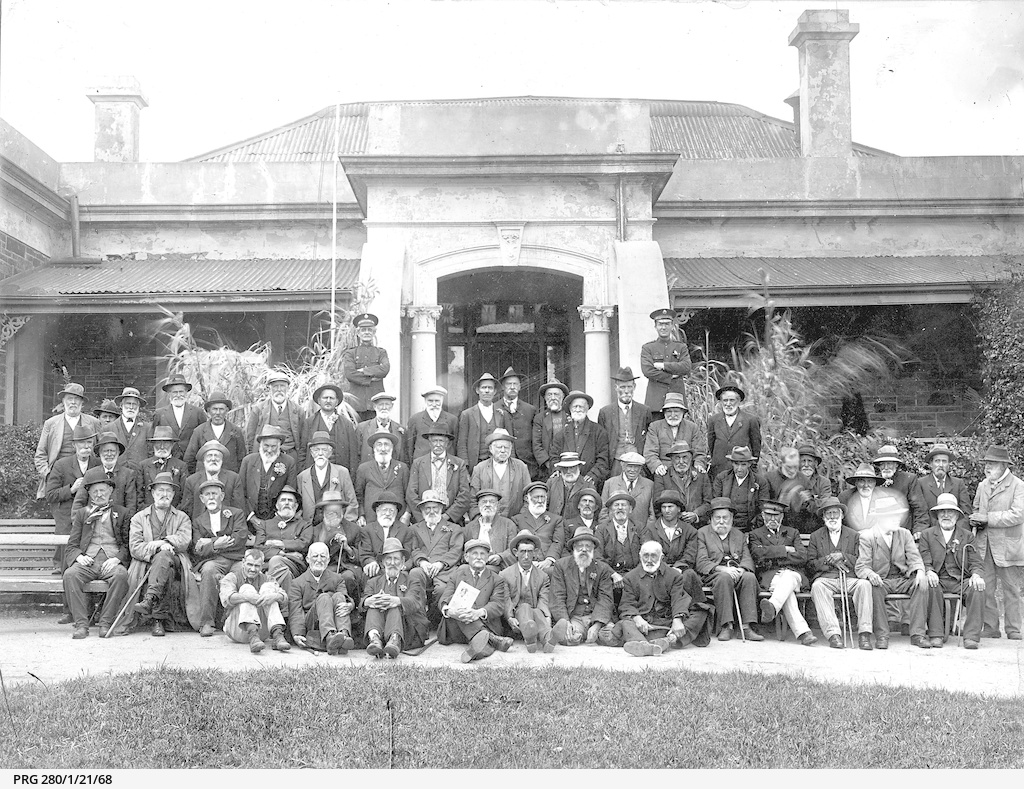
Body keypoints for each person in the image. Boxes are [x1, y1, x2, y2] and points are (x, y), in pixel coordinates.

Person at [62, 467, 130, 639]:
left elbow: (128, 545)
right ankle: (81, 625)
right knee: (70, 575)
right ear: (90, 494)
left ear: (110, 491)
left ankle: (106, 623)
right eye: (95, 492)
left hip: (110, 561)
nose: (99, 495)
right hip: (89, 561)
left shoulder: (122, 513)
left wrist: (116, 559)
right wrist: (79, 557)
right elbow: (72, 545)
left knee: (121, 576)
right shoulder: (82, 514)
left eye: (103, 491)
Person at [855, 496, 929, 649]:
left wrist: (920, 571)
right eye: (892, 516)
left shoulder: (904, 534)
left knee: (921, 584)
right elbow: (862, 566)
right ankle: (882, 635)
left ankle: (918, 635)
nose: (897, 519)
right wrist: (871, 574)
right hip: (881, 580)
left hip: (902, 579)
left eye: (898, 516)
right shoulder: (868, 536)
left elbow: (914, 557)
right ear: (880, 518)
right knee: (873, 588)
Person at [127, 472, 193, 636]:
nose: (164, 494)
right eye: (160, 490)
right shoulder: (139, 518)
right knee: (164, 566)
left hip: (176, 560)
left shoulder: (182, 517)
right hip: (146, 563)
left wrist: (164, 542)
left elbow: (184, 540)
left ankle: (149, 601)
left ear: (173, 494)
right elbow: (135, 547)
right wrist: (157, 548)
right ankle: (158, 620)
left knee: (164, 559)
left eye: (168, 491)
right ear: (152, 493)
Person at [617, 541, 713, 655]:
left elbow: (678, 599)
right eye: (645, 555)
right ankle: (646, 644)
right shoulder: (630, 577)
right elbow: (627, 603)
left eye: (653, 556)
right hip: (645, 624)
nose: (649, 560)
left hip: (668, 623)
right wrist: (637, 618)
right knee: (626, 623)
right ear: (640, 556)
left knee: (701, 611)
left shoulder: (674, 575)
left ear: (661, 557)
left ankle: (667, 640)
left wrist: (678, 619)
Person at [969, 444, 1024, 640]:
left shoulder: (1018, 485)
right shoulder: (983, 485)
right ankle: (991, 627)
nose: (987, 467)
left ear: (1003, 465)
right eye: (986, 463)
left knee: (1011, 589)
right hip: (985, 546)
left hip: (1009, 546)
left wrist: (987, 518)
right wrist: (975, 519)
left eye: (992, 463)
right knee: (987, 587)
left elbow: (1018, 515)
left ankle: (1014, 629)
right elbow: (976, 507)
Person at [806, 497, 874, 650]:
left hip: (849, 578)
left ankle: (864, 633)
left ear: (842, 515)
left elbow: (860, 560)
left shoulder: (854, 535)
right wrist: (829, 560)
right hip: (827, 579)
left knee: (864, 585)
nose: (832, 517)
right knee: (817, 587)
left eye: (835, 513)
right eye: (828, 514)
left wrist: (843, 556)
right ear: (823, 517)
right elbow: (810, 564)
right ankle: (833, 634)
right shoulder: (816, 536)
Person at [920, 493, 986, 649]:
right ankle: (936, 634)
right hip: (938, 579)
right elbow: (924, 559)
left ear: (957, 515)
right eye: (942, 512)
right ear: (936, 515)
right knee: (930, 584)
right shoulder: (927, 535)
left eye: (950, 512)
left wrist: (976, 575)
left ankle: (971, 637)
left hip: (960, 580)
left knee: (977, 588)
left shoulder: (967, 536)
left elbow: (976, 561)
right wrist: (929, 571)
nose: (946, 515)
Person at [749, 499, 816, 646]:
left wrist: (772, 556)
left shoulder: (793, 532)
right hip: (771, 577)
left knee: (788, 577)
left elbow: (802, 556)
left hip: (794, 575)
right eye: (768, 515)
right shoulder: (755, 534)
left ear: (782, 517)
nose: (772, 519)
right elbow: (758, 555)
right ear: (762, 515)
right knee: (787, 591)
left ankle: (772, 605)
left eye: (776, 516)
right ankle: (804, 633)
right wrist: (785, 550)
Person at [695, 497, 764, 642]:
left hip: (736, 572)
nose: (721, 521)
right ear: (711, 519)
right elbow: (701, 562)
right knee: (724, 578)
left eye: (725, 518)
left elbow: (746, 557)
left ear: (731, 518)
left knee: (750, 577)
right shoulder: (702, 533)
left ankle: (746, 627)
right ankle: (726, 626)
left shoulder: (738, 534)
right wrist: (723, 570)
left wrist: (743, 569)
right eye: (717, 518)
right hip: (714, 575)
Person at [188, 478, 248, 637]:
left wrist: (211, 543)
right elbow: (197, 548)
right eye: (207, 494)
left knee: (243, 571)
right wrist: (217, 544)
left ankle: (242, 621)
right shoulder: (198, 521)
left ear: (222, 496)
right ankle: (206, 622)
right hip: (214, 561)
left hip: (236, 558)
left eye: (214, 493)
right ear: (202, 499)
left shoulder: (236, 514)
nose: (211, 497)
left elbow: (240, 537)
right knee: (208, 570)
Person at [438, 539, 512, 662]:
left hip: (485, 622)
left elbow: (498, 605)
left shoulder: (497, 579)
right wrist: (451, 612)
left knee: (470, 617)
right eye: (474, 554)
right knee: (460, 608)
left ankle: (478, 648)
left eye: (482, 554)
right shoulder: (457, 575)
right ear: (466, 557)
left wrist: (477, 613)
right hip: (457, 627)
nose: (479, 557)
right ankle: (491, 639)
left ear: (488, 557)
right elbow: (444, 598)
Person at [544, 526, 616, 649]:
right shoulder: (561, 566)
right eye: (580, 546)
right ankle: (577, 632)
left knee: (612, 636)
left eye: (588, 546)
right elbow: (557, 596)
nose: (584, 549)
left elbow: (605, 599)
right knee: (570, 638)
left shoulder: (602, 568)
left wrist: (597, 624)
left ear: (593, 549)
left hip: (596, 615)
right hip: (575, 617)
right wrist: (565, 622)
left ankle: (596, 633)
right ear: (573, 548)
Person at [44, 424, 98, 581]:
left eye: (89, 443)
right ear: (74, 445)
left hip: (90, 515)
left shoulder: (97, 463)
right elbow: (50, 495)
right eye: (82, 443)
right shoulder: (62, 465)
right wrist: (71, 489)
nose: (86, 447)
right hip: (67, 518)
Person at [362, 537, 429, 658]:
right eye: (388, 559)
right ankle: (374, 639)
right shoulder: (373, 582)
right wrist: (369, 601)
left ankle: (395, 639)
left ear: (403, 562)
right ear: (382, 562)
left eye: (396, 559)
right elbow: (363, 602)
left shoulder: (412, 580)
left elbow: (414, 602)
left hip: (408, 630)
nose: (392, 563)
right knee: (373, 605)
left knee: (394, 605)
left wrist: (396, 601)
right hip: (381, 627)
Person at [34, 381, 101, 500]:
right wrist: (48, 474)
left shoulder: (93, 422)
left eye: (77, 399)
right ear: (63, 401)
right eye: (70, 398)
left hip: (87, 473)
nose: (73, 402)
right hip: (60, 475)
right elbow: (40, 454)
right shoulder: (51, 423)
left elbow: (100, 450)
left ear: (82, 403)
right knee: (62, 510)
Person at [288, 542, 356, 655]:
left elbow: (345, 597)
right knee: (324, 597)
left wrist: (350, 605)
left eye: (323, 556)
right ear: (308, 559)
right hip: (312, 621)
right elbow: (296, 611)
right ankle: (330, 637)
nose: (319, 560)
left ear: (328, 560)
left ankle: (343, 634)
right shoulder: (297, 583)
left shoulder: (337, 578)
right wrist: (297, 634)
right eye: (315, 556)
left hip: (334, 619)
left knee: (339, 596)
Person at [219, 548, 290, 653]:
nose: (253, 569)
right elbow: (226, 598)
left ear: (262, 566)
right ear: (243, 563)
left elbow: (284, 596)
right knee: (246, 588)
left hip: (262, 633)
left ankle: (278, 635)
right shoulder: (232, 577)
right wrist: (248, 597)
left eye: (257, 566)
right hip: (238, 629)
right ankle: (252, 635)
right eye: (249, 564)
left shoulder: (267, 578)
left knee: (269, 589)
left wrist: (273, 597)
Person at [410, 491, 466, 622]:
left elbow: (456, 549)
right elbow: (414, 549)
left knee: (442, 590)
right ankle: (421, 621)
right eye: (427, 508)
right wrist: (422, 562)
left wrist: (440, 563)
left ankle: (435, 620)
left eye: (435, 507)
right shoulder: (414, 529)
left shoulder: (454, 528)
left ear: (441, 509)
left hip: (445, 569)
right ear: (422, 510)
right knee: (414, 575)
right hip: (423, 567)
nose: (431, 511)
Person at [405, 426, 471, 525]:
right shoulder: (418, 463)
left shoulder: (458, 463)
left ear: (447, 443)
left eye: (442, 441)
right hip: (423, 519)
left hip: (451, 520)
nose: (438, 445)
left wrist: (447, 516)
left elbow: (464, 494)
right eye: (435, 441)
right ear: (429, 443)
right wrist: (423, 518)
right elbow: (411, 494)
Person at [238, 425, 299, 531]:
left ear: (280, 445)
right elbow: (239, 492)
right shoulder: (248, 461)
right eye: (266, 445)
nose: (270, 450)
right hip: (249, 521)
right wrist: (252, 518)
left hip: (278, 521)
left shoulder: (288, 462)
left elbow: (290, 492)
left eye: (274, 446)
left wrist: (277, 519)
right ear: (260, 444)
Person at [499, 530, 552, 652]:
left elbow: (543, 600)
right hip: (515, 621)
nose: (526, 556)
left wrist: (547, 616)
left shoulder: (543, 576)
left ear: (536, 553)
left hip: (536, 616)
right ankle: (532, 636)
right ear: (515, 552)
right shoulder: (505, 575)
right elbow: (506, 600)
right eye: (523, 551)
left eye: (530, 551)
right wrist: (510, 618)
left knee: (537, 612)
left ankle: (547, 639)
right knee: (524, 607)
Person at [72, 431, 140, 522]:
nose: (109, 454)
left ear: (118, 452)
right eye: (105, 451)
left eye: (112, 451)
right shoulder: (90, 474)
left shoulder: (127, 474)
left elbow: (131, 505)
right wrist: (80, 526)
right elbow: (78, 503)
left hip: (118, 526)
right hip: (93, 525)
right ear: (99, 453)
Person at [598, 367, 653, 478]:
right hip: (615, 461)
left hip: (638, 460)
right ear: (616, 388)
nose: (626, 391)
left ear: (634, 387)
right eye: (622, 387)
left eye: (629, 387)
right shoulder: (605, 412)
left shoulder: (644, 411)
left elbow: (648, 438)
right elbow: (601, 442)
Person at [255, 486, 312, 592]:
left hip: (295, 565)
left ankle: (267, 594)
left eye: (290, 501)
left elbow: (304, 544)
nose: (286, 503)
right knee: (285, 574)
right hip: (268, 566)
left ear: (296, 506)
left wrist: (280, 543)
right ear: (277, 505)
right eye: (283, 500)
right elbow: (258, 548)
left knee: (276, 561)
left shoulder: (304, 525)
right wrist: (284, 554)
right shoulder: (265, 525)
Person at [297, 431, 357, 529]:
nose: (320, 453)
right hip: (310, 528)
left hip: (336, 526)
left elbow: (352, 502)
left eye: (324, 450)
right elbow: (299, 508)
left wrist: (346, 526)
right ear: (311, 453)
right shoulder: (302, 477)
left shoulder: (342, 472)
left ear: (330, 452)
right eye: (316, 450)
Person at [767, 445, 832, 534]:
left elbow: (825, 506)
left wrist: (809, 500)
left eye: (810, 461)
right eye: (803, 461)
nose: (806, 465)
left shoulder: (824, 482)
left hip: (814, 528)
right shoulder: (787, 479)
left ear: (816, 464)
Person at [910, 443, 973, 535]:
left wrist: (956, 533)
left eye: (944, 461)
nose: (941, 465)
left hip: (954, 533)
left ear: (948, 465)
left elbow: (965, 513)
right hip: (929, 534)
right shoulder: (920, 483)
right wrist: (921, 532)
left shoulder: (958, 484)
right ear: (931, 464)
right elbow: (919, 512)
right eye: (937, 461)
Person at [552, 390, 610, 488]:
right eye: (575, 406)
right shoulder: (560, 434)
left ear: (587, 409)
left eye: (581, 406)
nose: (578, 409)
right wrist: (558, 471)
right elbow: (554, 457)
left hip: (590, 482)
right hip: (566, 482)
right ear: (570, 409)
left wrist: (593, 475)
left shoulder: (599, 432)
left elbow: (603, 459)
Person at [313, 490, 364, 601]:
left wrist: (347, 548)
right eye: (330, 511)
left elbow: (362, 556)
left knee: (348, 577)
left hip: (348, 567)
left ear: (342, 511)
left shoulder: (354, 529)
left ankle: (351, 606)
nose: (333, 515)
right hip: (326, 567)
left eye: (337, 511)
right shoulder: (316, 531)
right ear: (323, 512)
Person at [299, 381, 360, 474]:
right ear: (319, 401)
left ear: (337, 402)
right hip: (315, 474)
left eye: (331, 398)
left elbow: (353, 455)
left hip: (340, 474)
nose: (328, 400)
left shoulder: (347, 424)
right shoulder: (309, 423)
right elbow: (302, 452)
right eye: (325, 398)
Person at [469, 428, 531, 519]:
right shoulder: (479, 468)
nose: (503, 450)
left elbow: (528, 497)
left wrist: (520, 519)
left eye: (506, 447)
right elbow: (472, 500)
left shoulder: (521, 467)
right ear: (491, 448)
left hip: (515, 522)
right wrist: (481, 520)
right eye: (499, 447)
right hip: (487, 523)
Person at [641, 308, 691, 417]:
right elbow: (648, 371)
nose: (663, 327)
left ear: (672, 326)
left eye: (667, 324)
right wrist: (671, 376)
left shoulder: (681, 347)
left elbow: (686, 366)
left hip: (677, 399)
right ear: (655, 327)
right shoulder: (648, 348)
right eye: (660, 324)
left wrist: (663, 365)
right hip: (656, 402)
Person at [182, 391, 246, 474]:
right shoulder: (199, 431)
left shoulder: (236, 431)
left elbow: (241, 459)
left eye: (221, 409)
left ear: (227, 410)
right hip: (205, 480)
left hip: (229, 480)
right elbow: (189, 460)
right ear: (208, 411)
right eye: (214, 409)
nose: (218, 413)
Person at [644, 393, 707, 478]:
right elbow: (650, 452)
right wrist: (657, 466)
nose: (673, 415)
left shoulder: (692, 427)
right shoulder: (655, 427)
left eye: (676, 411)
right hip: (664, 472)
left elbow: (699, 452)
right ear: (664, 412)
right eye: (669, 411)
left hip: (687, 472)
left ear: (683, 412)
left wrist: (699, 465)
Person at [342, 312, 391, 421]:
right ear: (358, 333)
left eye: (370, 330)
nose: (367, 332)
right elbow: (350, 374)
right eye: (363, 330)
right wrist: (372, 377)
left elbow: (385, 369)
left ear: (374, 332)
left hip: (376, 402)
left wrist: (363, 371)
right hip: (356, 403)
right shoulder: (351, 353)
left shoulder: (381, 352)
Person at [652, 441, 712, 528]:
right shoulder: (663, 476)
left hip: (697, 527)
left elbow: (709, 502)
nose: (681, 462)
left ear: (691, 458)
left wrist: (696, 515)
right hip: (671, 526)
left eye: (685, 457)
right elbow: (657, 504)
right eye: (677, 458)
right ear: (671, 459)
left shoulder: (701, 475)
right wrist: (677, 515)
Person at [355, 431, 411, 525]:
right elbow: (359, 495)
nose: (383, 448)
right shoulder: (364, 468)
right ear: (374, 448)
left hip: (397, 519)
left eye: (386, 445)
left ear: (392, 448)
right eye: (379, 445)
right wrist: (361, 515)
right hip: (371, 520)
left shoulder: (402, 468)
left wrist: (407, 514)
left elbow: (409, 495)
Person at [358, 492, 417, 580]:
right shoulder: (367, 530)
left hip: (397, 568)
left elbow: (408, 554)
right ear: (377, 511)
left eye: (391, 510)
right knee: (368, 572)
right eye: (385, 510)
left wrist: (403, 566)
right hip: (377, 568)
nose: (388, 513)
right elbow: (365, 554)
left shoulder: (405, 530)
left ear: (396, 512)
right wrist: (371, 562)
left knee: (404, 575)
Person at [245, 371, 303, 460]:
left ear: (287, 388)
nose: (279, 389)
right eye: (275, 386)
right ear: (270, 389)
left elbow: (302, 438)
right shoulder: (258, 410)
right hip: (266, 455)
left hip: (290, 455)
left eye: (282, 386)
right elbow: (250, 438)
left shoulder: (298, 410)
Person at [707, 385, 761, 480]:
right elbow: (711, 445)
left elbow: (756, 446)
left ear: (739, 401)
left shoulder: (750, 420)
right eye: (725, 400)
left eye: (732, 400)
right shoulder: (713, 420)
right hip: (719, 470)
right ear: (720, 402)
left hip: (742, 471)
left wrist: (751, 466)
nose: (728, 404)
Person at [180, 440, 243, 521]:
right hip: (199, 529)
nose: (213, 459)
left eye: (216, 456)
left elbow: (239, 509)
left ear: (222, 459)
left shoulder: (234, 478)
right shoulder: (191, 481)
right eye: (209, 455)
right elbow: (187, 511)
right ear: (203, 460)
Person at [641, 490, 700, 576]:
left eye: (670, 506)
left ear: (679, 509)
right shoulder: (650, 529)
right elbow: (649, 553)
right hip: (657, 570)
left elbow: (689, 556)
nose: (667, 510)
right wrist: (666, 569)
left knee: (689, 575)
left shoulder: (690, 531)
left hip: (681, 571)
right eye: (664, 507)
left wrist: (678, 568)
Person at [595, 492, 641, 601]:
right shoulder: (601, 529)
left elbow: (646, 552)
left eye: (624, 505)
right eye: (616, 505)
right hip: (611, 575)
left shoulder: (639, 527)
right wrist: (613, 574)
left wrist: (633, 575)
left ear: (630, 509)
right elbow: (597, 556)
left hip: (635, 574)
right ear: (610, 510)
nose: (620, 508)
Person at [457, 373, 508, 472]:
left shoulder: (501, 414)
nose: (487, 391)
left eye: (490, 388)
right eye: (484, 388)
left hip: (498, 465)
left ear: (495, 391)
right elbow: (462, 444)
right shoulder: (467, 414)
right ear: (477, 390)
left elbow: (508, 442)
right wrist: (465, 468)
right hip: (475, 466)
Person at [711, 446, 768, 533]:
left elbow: (763, 509)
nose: (739, 469)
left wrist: (752, 531)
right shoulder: (722, 478)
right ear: (732, 463)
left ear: (749, 464)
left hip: (749, 528)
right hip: (726, 527)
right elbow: (715, 504)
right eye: (736, 464)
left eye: (743, 464)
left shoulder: (760, 482)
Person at [152, 373, 207, 462]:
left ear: (186, 392)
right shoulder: (159, 413)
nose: (178, 395)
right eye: (174, 392)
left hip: (192, 461)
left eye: (181, 391)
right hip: (168, 460)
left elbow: (203, 437)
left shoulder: (197, 412)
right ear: (169, 394)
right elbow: (153, 439)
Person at [495, 367, 538, 479]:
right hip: (502, 462)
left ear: (519, 387)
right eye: (509, 384)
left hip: (528, 463)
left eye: (515, 384)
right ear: (503, 387)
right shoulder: (494, 408)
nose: (512, 387)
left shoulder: (530, 410)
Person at [511, 481, 566, 570]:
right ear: (527, 498)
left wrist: (549, 560)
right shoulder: (517, 520)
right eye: (536, 497)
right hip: (523, 563)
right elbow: (514, 544)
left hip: (547, 565)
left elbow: (557, 542)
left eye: (543, 497)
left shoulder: (556, 520)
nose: (540, 501)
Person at [463, 489, 517, 569]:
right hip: (473, 566)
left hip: (497, 567)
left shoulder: (508, 524)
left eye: (492, 502)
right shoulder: (469, 527)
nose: (488, 505)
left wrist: (500, 557)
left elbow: (513, 550)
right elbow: (462, 552)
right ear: (478, 505)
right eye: (484, 502)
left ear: (497, 505)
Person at [406, 386, 460, 464]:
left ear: (442, 401)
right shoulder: (415, 419)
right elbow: (409, 447)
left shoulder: (452, 420)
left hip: (446, 463)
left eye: (437, 401)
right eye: (430, 401)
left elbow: (455, 445)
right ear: (425, 401)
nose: (434, 404)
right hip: (422, 465)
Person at [600, 451, 654, 530]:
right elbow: (603, 511)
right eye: (629, 466)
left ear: (641, 468)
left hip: (641, 533)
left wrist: (647, 532)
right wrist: (607, 531)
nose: (633, 470)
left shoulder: (649, 485)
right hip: (613, 533)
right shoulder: (610, 483)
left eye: (636, 467)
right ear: (622, 465)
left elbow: (652, 514)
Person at [138, 425, 187, 510]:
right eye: (158, 443)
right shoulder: (143, 466)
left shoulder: (181, 466)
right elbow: (139, 496)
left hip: (173, 516)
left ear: (172, 445)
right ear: (153, 445)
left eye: (166, 443)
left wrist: (174, 514)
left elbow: (184, 496)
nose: (162, 447)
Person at [532, 379, 570, 478]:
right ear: (545, 398)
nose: (553, 398)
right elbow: (537, 444)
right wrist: (549, 464)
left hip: (569, 464)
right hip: (547, 468)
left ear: (563, 397)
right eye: (549, 395)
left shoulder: (570, 416)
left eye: (556, 394)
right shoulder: (540, 418)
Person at [356, 392, 406, 465]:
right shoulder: (362, 428)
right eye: (381, 404)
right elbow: (357, 455)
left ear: (392, 406)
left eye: (387, 404)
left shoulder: (400, 430)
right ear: (374, 407)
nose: (384, 407)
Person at [841, 463, 891, 532]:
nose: (866, 485)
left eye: (870, 481)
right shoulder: (845, 497)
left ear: (875, 483)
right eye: (862, 481)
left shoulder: (883, 498)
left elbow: (889, 524)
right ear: (856, 483)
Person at [111, 386, 151, 470]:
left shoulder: (147, 428)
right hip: (117, 475)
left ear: (139, 407)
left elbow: (151, 454)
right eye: (128, 403)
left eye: (134, 404)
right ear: (121, 405)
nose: (131, 407)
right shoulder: (109, 428)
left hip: (140, 475)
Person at [547, 452, 588, 522]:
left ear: (579, 467)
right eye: (565, 468)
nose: (568, 471)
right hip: (553, 526)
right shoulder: (551, 482)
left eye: (572, 467)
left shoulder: (587, 485)